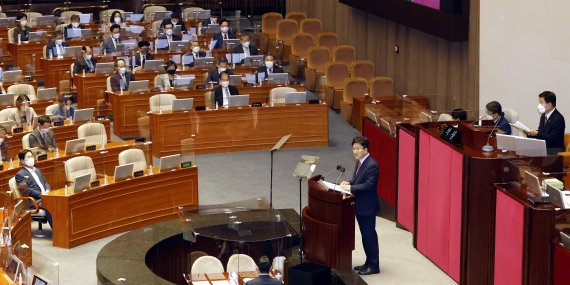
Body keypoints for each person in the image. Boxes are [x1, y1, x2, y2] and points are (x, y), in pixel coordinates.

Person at [340, 136, 380, 275]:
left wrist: (350, 189)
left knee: (369, 236)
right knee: (365, 236)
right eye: (353, 148)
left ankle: (374, 266)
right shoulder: (361, 162)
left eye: (358, 149)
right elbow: (358, 180)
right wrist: (349, 183)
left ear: (366, 149)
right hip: (360, 206)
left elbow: (369, 186)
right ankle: (368, 263)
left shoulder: (371, 165)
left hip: (367, 207)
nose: (355, 151)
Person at [15, 149, 53, 228]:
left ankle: (63, 229)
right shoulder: (20, 174)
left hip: (46, 196)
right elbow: (27, 190)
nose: (31, 158)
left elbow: (45, 182)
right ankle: (57, 232)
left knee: (58, 202)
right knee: (51, 206)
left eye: (32, 156)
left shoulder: (38, 170)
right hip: (34, 200)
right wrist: (42, 195)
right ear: (22, 161)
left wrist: (48, 190)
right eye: (28, 157)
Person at [526, 91, 566, 155]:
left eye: (541, 102)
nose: (539, 105)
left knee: (531, 154)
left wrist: (537, 134)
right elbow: (542, 133)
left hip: (554, 149)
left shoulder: (558, 118)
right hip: (545, 147)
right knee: (525, 151)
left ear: (549, 104)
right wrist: (530, 133)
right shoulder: (543, 116)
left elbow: (553, 139)